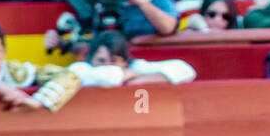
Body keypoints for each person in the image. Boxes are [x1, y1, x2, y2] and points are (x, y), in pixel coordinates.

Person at [69, 30, 197, 84]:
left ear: (125, 62)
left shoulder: (135, 67)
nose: (107, 65)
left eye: (113, 61)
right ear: (90, 59)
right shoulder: (80, 68)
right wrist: (128, 75)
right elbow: (106, 77)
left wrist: (140, 80)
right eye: (101, 60)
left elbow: (185, 70)